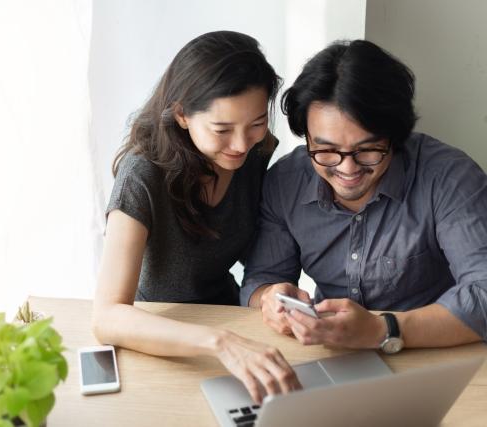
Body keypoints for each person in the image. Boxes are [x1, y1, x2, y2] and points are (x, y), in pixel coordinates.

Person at [92, 31, 301, 403]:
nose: (240, 144)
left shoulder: (257, 150)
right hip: (159, 334)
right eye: (221, 130)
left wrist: (270, 293)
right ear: (182, 114)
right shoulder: (143, 174)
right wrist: (220, 343)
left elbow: (259, 253)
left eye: (255, 123)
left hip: (229, 319)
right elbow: (107, 316)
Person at [242, 39, 487, 353]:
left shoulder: (449, 178)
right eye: (326, 150)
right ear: (306, 136)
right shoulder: (285, 182)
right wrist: (270, 299)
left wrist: (382, 329)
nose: (347, 168)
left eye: (367, 149)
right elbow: (262, 278)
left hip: (435, 352)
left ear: (395, 135)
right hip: (331, 353)